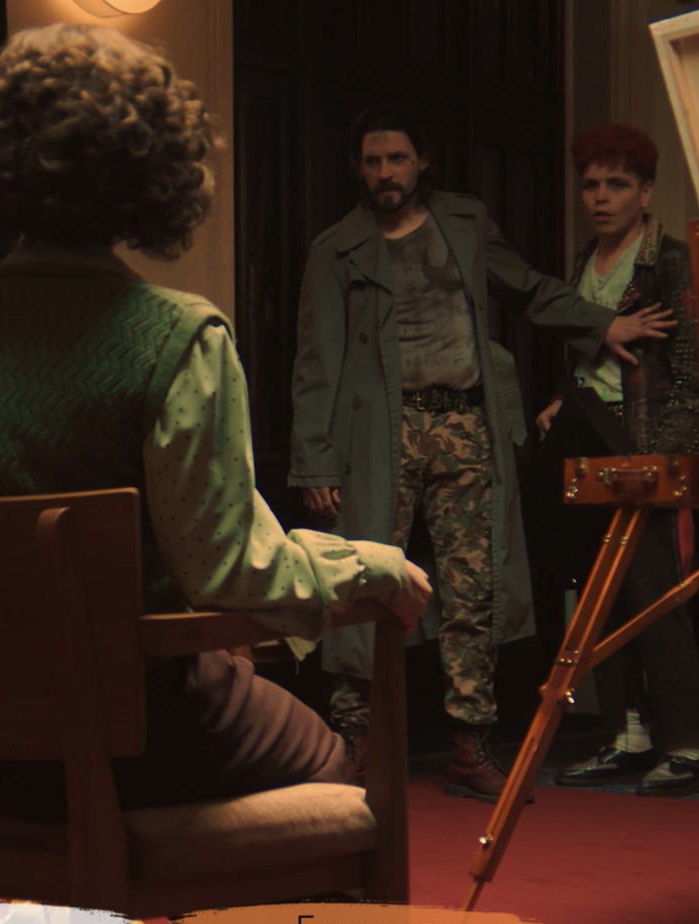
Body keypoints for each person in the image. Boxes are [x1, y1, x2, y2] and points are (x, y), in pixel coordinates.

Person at [0, 24, 431, 924]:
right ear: (151, 172)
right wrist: (371, 567)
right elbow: (229, 571)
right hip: (129, 748)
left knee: (228, 713)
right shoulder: (176, 335)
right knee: (320, 762)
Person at [289, 105, 675, 800]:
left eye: (397, 159)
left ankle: (471, 745)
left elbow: (528, 287)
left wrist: (601, 324)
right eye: (373, 161)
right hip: (379, 432)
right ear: (359, 169)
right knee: (363, 585)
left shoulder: (462, 222)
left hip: (465, 423)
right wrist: (314, 460)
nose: (385, 173)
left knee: (474, 587)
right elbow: (316, 360)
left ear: (422, 162)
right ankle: (355, 745)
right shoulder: (337, 248)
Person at [535, 123, 699, 795]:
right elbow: (586, 352)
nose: (600, 197)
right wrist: (561, 398)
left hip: (641, 441)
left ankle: (686, 747)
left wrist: (665, 460)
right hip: (585, 437)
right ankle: (626, 733)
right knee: (596, 592)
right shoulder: (585, 260)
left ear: (645, 191)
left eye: (616, 184)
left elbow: (694, 379)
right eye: (590, 185)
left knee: (655, 594)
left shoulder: (668, 261)